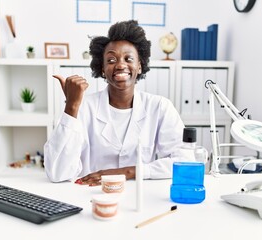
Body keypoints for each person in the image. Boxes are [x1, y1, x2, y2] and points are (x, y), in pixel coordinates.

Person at [44, 20, 185, 185]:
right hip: (90, 196)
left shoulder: (160, 107)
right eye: (111, 60)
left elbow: (184, 161)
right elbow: (57, 172)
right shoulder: (84, 107)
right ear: (102, 69)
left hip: (139, 198)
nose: (120, 65)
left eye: (128, 58)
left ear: (139, 66)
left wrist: (127, 172)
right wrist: (71, 106)